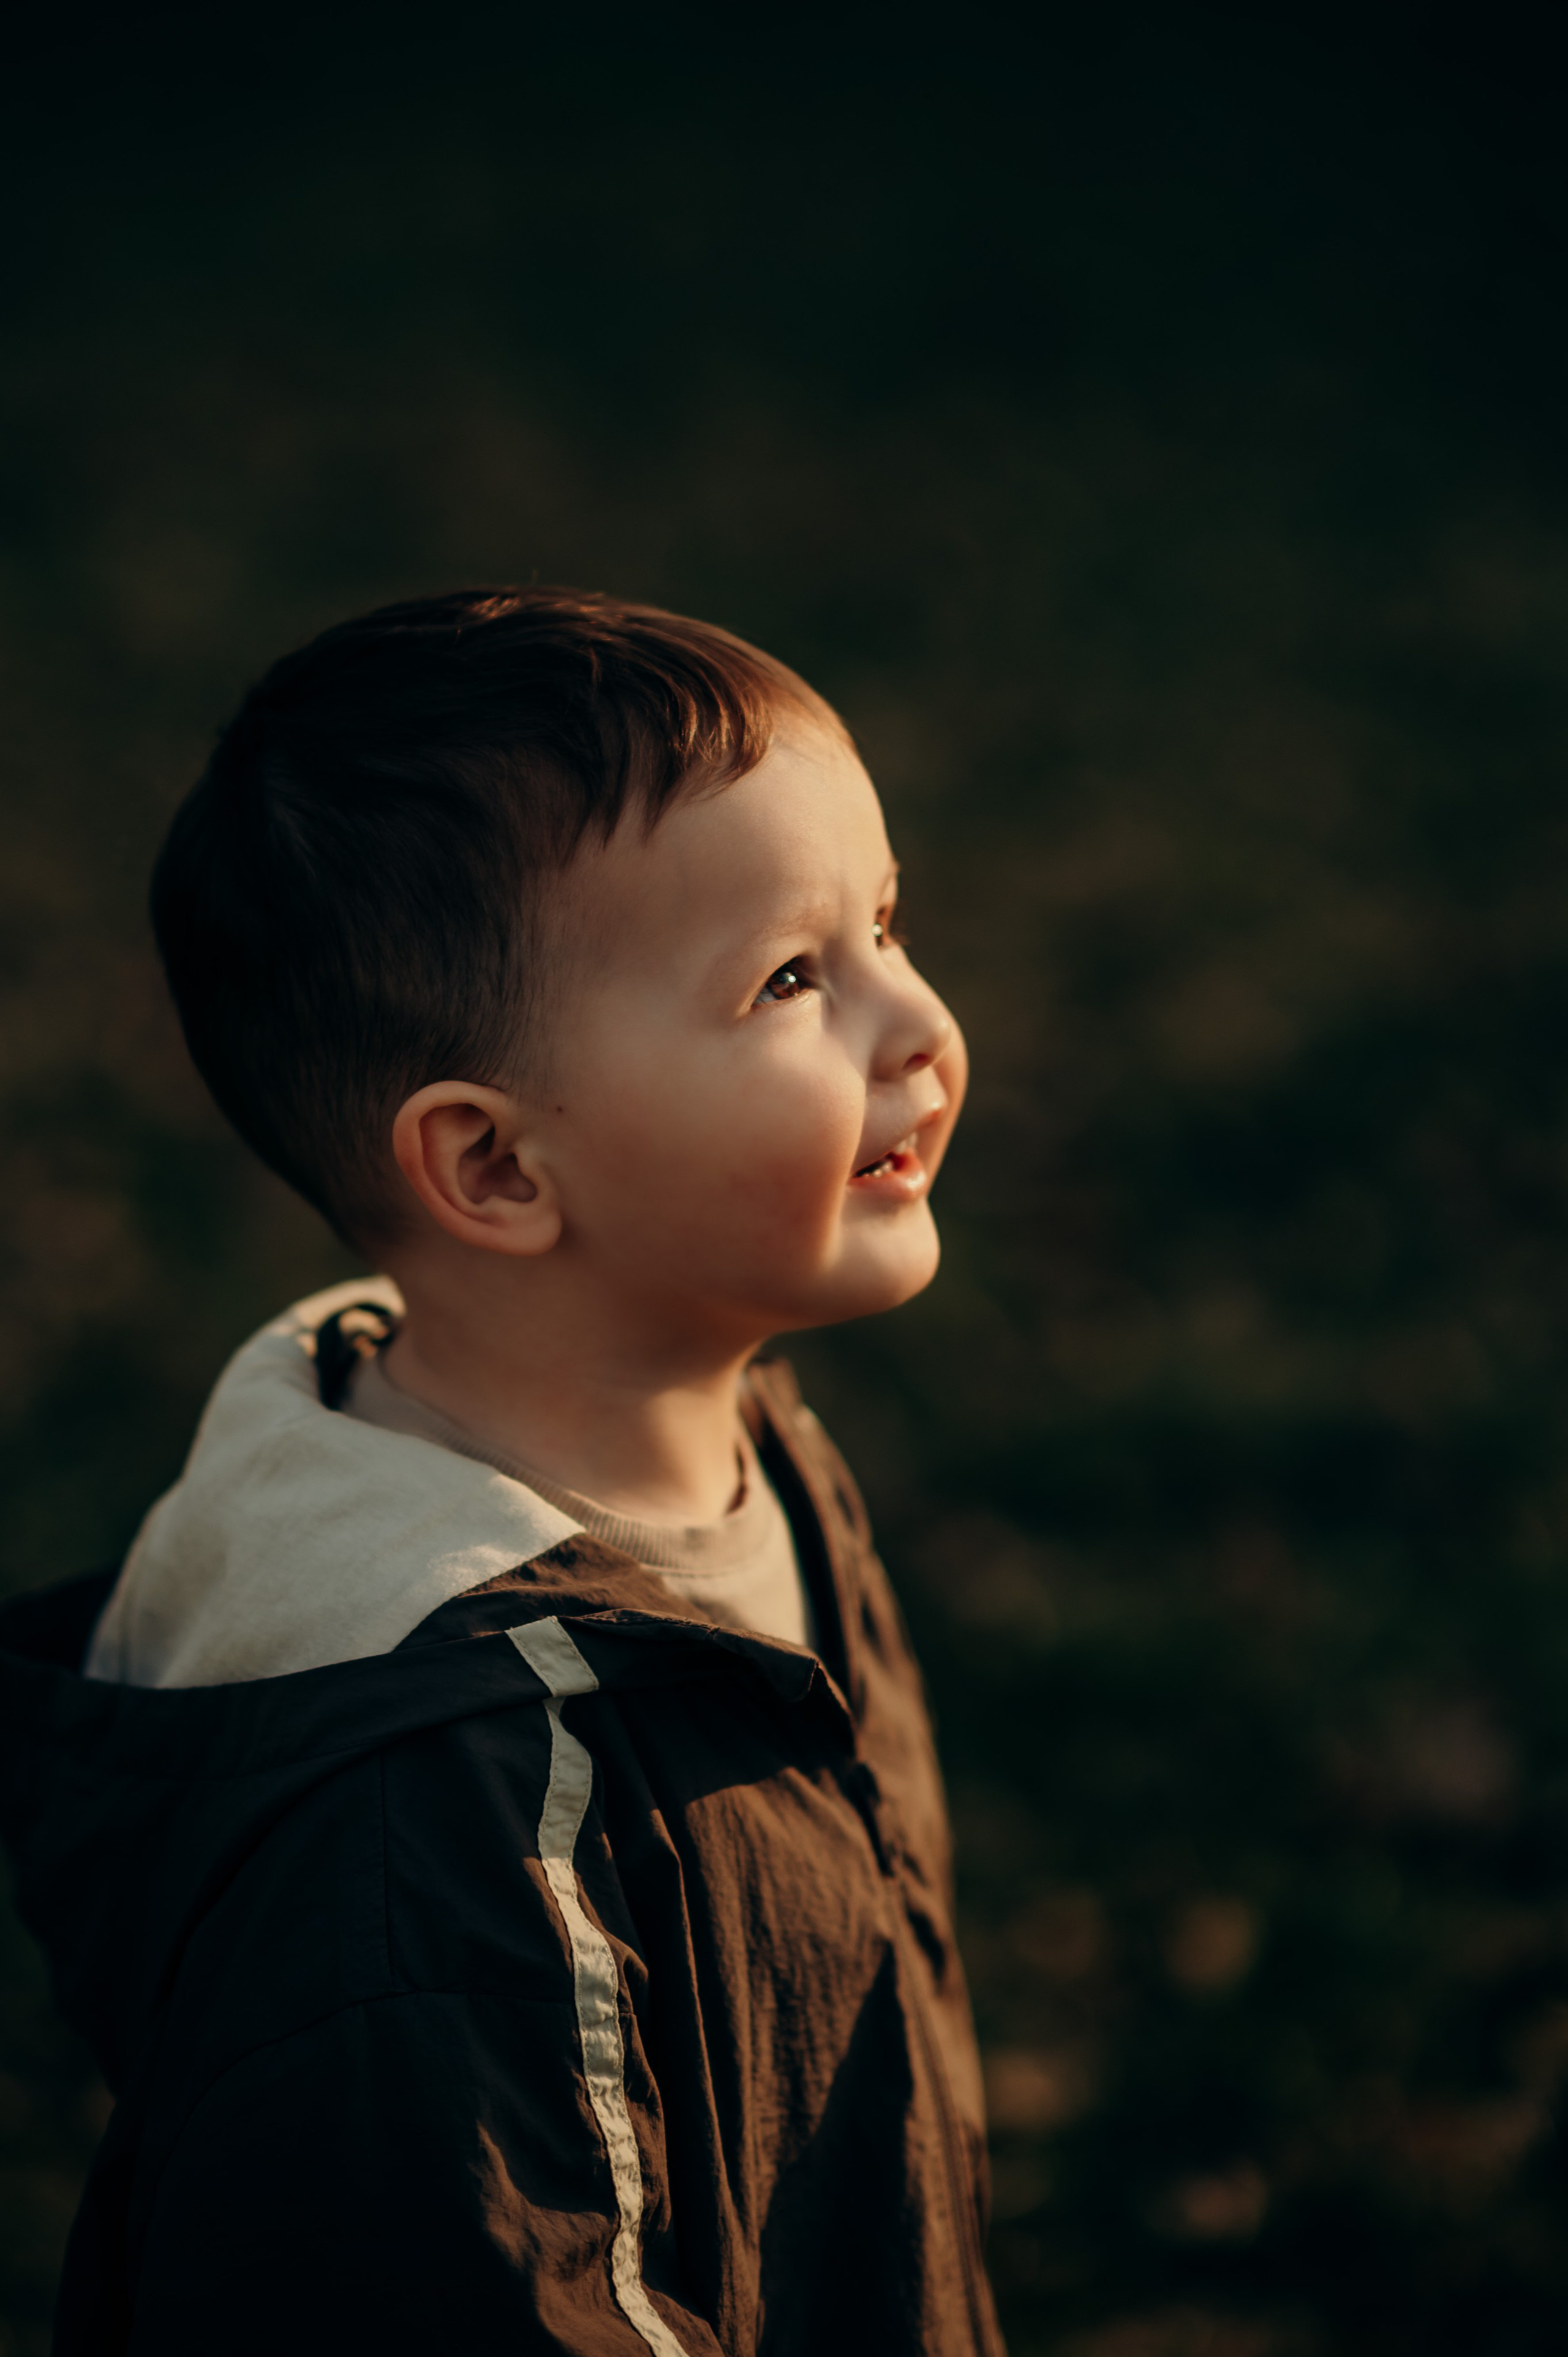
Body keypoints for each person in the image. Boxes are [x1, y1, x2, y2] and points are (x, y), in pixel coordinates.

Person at [0, 587, 1003, 2356]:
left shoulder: (759, 1452)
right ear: (495, 1167)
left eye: (887, 927)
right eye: (790, 981)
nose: (914, 1025)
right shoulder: (431, 1811)